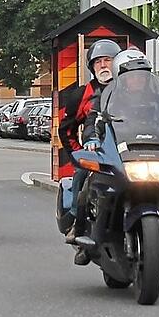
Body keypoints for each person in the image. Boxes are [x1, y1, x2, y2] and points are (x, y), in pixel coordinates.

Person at [58, 39, 121, 265]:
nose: (103, 65)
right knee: (82, 177)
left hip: (129, 152)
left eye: (108, 60)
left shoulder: (130, 89)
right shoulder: (83, 94)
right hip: (98, 154)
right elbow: (66, 129)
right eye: (98, 62)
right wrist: (79, 155)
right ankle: (78, 226)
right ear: (92, 67)